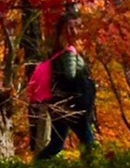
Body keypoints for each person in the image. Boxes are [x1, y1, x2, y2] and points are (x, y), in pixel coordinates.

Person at [28, 13, 96, 159]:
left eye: (77, 27)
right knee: (88, 140)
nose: (75, 31)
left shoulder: (57, 53)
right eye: (72, 28)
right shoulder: (70, 52)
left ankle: (35, 167)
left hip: (57, 104)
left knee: (57, 144)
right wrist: (81, 65)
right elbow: (70, 75)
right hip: (70, 105)